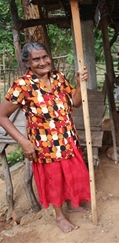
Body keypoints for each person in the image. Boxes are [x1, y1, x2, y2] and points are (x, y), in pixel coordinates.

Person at [0, 42, 91, 233]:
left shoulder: (58, 77)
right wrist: (23, 142)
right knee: (55, 180)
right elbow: (1, 116)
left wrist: (79, 83)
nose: (43, 62)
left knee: (72, 175)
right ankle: (59, 216)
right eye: (36, 59)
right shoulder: (23, 85)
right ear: (28, 63)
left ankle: (73, 203)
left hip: (67, 139)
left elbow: (75, 103)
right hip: (45, 145)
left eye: (45, 57)